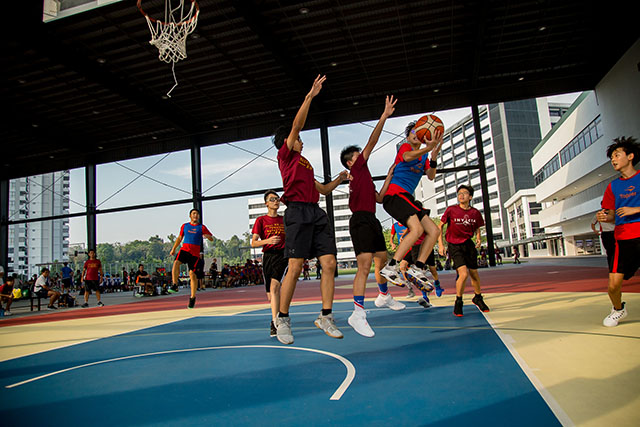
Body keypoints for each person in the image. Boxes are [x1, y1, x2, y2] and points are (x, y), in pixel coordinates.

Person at [272, 75, 350, 345]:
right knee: (294, 267)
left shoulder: (306, 165)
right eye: (298, 139)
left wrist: (340, 179)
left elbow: (323, 190)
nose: (301, 141)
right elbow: (296, 124)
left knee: (329, 264)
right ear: (287, 142)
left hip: (315, 212)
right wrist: (310, 96)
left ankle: (326, 316)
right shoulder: (286, 156)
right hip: (296, 213)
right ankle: (282, 319)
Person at [340, 95, 407, 337]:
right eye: (359, 154)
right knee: (364, 266)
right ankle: (357, 313)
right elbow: (372, 140)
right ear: (351, 162)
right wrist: (384, 116)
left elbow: (379, 199)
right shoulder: (357, 169)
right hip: (360, 220)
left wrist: (389, 175)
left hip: (371, 218)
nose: (363, 155)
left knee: (382, 258)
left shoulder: (363, 177)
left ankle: (382, 295)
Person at [379, 116, 443, 289]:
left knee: (433, 230)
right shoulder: (405, 148)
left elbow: (431, 175)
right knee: (417, 229)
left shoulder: (424, 157)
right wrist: (427, 149)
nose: (416, 134)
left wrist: (434, 154)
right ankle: (391, 267)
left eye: (418, 131)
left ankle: (418, 267)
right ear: (408, 137)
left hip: (407, 198)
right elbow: (407, 157)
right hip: (394, 195)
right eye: (413, 131)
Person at [597, 136, 640, 327]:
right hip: (622, 238)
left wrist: (636, 210)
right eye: (611, 157)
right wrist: (604, 217)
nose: (613, 160)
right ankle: (618, 309)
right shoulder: (612, 186)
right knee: (613, 287)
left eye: (616, 155)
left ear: (630, 156)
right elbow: (612, 215)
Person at [438, 184, 490, 317]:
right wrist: (441, 244)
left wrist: (478, 238)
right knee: (463, 274)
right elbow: (440, 227)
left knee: (474, 273)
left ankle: (478, 297)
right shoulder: (451, 210)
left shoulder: (475, 213)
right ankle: (458, 301)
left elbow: (478, 226)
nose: (461, 195)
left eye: (464, 193)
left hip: (468, 244)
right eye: (459, 193)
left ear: (470, 197)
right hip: (454, 245)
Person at [251, 190, 288, 337]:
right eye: (272, 199)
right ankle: (276, 316)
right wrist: (268, 241)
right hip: (268, 256)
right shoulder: (261, 220)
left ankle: (275, 322)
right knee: (270, 294)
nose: (276, 201)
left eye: (277, 199)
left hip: (282, 255)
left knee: (275, 286)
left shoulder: (284, 219)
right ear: (266, 203)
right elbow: (254, 243)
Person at [169, 208, 214, 309]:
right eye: (194, 214)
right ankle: (175, 284)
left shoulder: (201, 227)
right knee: (176, 263)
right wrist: (173, 249)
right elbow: (179, 238)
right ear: (190, 216)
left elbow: (211, 238)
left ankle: (192, 297)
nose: (195, 215)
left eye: (197, 214)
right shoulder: (185, 226)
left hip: (194, 254)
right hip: (185, 250)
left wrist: (207, 236)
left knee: (192, 274)